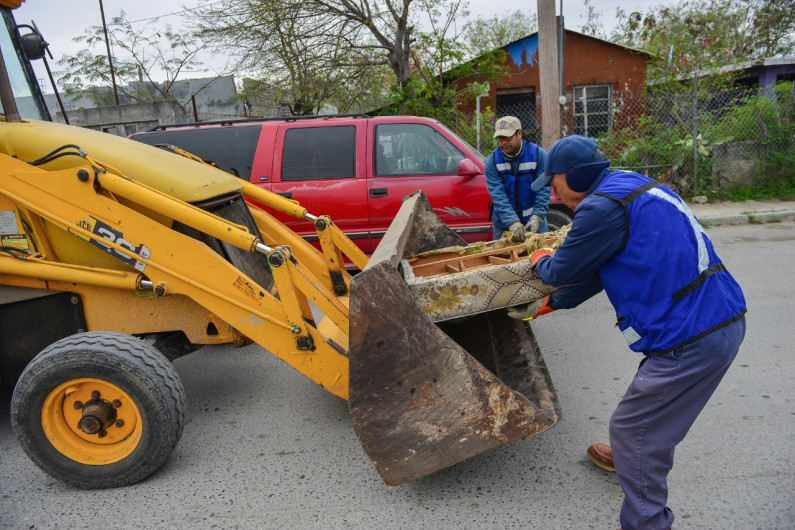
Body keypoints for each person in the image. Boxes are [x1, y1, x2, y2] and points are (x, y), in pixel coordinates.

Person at [512, 135, 747, 530]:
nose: (552, 192)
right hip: (718, 319)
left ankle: (647, 520)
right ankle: (628, 457)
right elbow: (601, 267)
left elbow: (560, 270)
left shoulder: (600, 208)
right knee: (650, 402)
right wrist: (554, 304)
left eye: (555, 182)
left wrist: (539, 259)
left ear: (580, 175)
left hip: (692, 335)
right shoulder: (629, 185)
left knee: (634, 428)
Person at [485, 116, 550, 242]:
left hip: (535, 222)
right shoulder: (492, 162)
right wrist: (512, 222)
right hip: (504, 224)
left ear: (519, 133)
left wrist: (538, 215)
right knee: (504, 260)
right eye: (499, 138)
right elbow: (498, 196)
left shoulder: (538, 155)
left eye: (507, 138)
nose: (503, 142)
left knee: (540, 258)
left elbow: (544, 188)